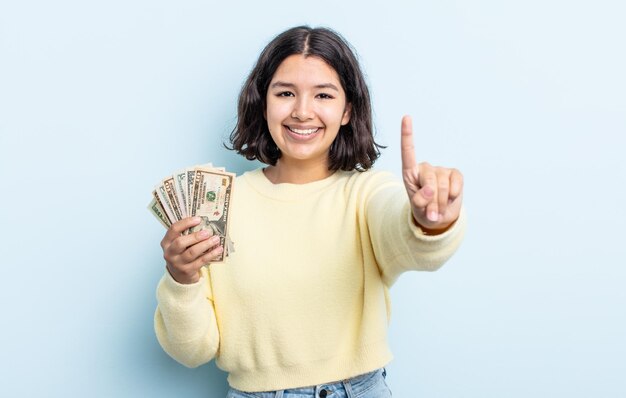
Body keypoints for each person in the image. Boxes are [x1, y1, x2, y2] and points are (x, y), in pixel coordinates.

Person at [154, 26, 466, 398]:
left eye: (323, 95)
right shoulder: (220, 205)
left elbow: (411, 243)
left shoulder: (366, 194)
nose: (302, 112)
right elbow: (192, 350)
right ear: (263, 102)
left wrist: (431, 219)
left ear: (347, 109)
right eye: (285, 93)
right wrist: (181, 278)